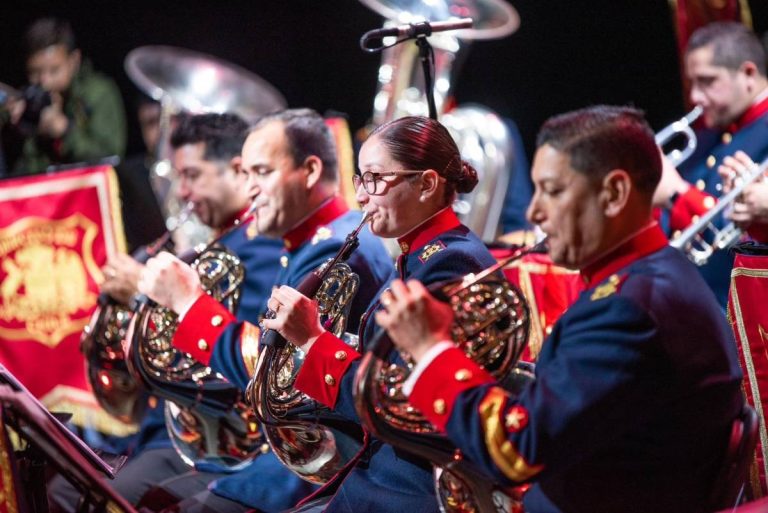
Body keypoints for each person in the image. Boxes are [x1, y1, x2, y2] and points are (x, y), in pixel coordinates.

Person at [376, 106, 745, 513]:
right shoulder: (662, 273)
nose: (533, 213)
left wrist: (430, 350)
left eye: (552, 191)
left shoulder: (628, 309)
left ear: (614, 194)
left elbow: (516, 450)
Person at [136, 108, 393, 512]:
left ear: (310, 171)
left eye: (262, 172)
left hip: (313, 467)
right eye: (245, 173)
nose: (249, 188)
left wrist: (188, 304)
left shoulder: (335, 248)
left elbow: (280, 381)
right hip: (282, 456)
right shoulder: (307, 243)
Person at [254, 115, 498, 513]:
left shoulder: (451, 263)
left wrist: (313, 340)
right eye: (359, 180)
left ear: (427, 184)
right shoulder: (419, 256)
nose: (362, 197)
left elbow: (400, 402)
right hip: (377, 478)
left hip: (406, 491)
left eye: (374, 178)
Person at [49, 112, 285, 511]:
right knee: (57, 484)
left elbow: (239, 355)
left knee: (86, 499)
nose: (183, 192)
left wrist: (142, 291)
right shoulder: (210, 247)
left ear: (236, 170)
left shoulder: (263, 246)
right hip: (163, 430)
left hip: (220, 439)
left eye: (192, 176)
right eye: (179, 178)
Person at [653, 21, 768, 305]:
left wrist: (676, 194)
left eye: (707, 81)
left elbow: (740, 242)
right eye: (692, 82)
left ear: (748, 74)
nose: (695, 96)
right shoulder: (707, 136)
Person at [2, 17, 126, 175]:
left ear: (74, 60)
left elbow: (110, 158)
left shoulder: (98, 93)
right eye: (35, 72)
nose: (44, 81)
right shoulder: (28, 98)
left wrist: (64, 131)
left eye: (54, 70)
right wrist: (14, 126)